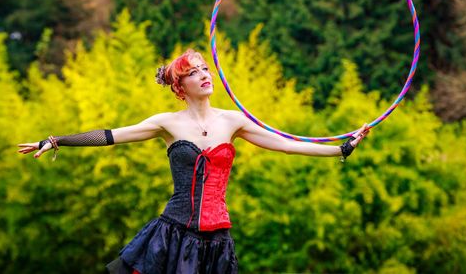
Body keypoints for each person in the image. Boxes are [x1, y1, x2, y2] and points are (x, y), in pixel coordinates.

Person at [18, 49, 370, 274]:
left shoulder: (233, 121)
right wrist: (55, 140)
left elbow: (288, 146)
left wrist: (341, 149)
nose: (205, 74)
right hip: (174, 234)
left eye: (205, 68)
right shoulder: (167, 124)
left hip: (217, 241)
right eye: (194, 72)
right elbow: (111, 135)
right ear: (180, 86)